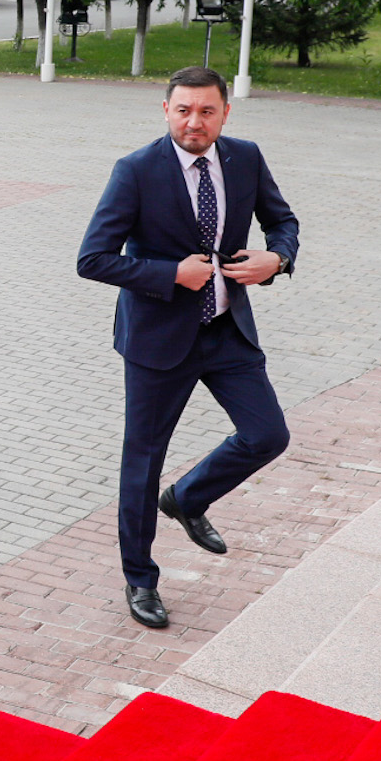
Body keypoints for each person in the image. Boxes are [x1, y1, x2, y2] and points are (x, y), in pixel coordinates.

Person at [76, 66, 299, 630]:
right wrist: (170, 274)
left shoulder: (245, 158)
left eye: (206, 111)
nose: (193, 122)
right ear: (166, 110)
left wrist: (278, 259)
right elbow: (93, 259)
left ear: (225, 112)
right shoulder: (135, 170)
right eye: (183, 110)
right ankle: (140, 580)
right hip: (157, 341)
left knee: (268, 434)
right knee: (143, 462)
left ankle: (188, 498)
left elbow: (282, 221)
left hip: (226, 330)